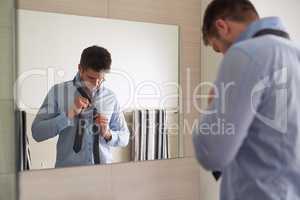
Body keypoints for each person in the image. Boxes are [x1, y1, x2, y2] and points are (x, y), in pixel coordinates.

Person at [193, 0, 300, 199]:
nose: (224, 57)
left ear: (222, 27)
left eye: (219, 49)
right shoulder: (294, 53)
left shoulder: (244, 53)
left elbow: (212, 155)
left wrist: (211, 108)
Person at [32, 45, 130, 168]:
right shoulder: (58, 92)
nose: (96, 84)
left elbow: (125, 137)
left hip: (104, 174)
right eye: (91, 78)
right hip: (68, 175)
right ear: (80, 69)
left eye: (101, 79)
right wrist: (68, 116)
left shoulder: (111, 97)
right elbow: (37, 132)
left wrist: (107, 134)